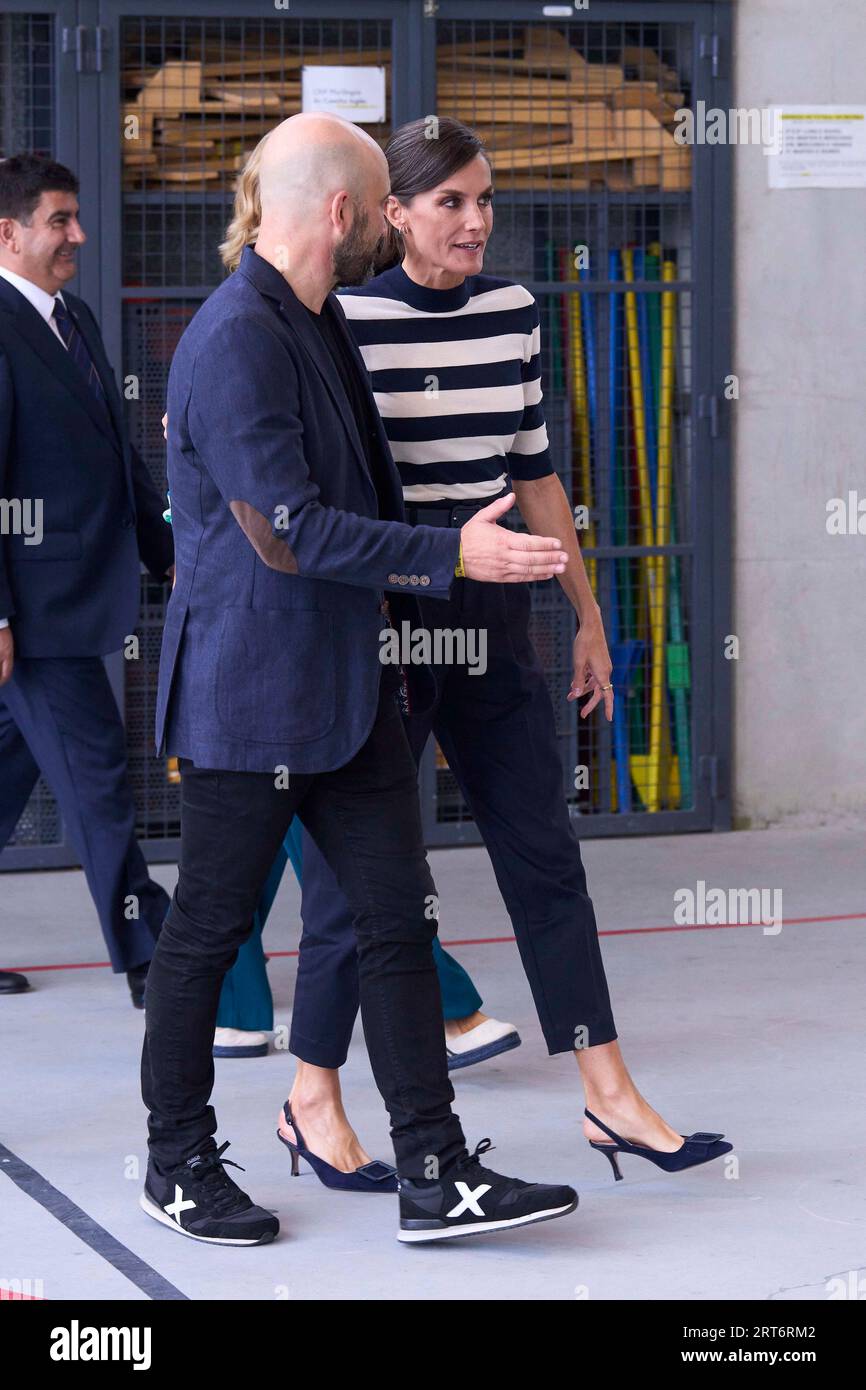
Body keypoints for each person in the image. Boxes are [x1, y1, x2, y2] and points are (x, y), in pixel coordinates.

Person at [215, 118, 735, 1190]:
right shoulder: (341, 320)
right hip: (391, 621)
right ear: (389, 213)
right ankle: (310, 1096)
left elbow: (536, 475)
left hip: (498, 617)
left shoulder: (513, 312)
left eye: (485, 199)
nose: (475, 220)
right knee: (364, 883)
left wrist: (585, 612)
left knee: (544, 853)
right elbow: (321, 501)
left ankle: (608, 1093)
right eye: (449, 201)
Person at [140, 111, 579, 1246]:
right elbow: (287, 530)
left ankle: (433, 1169)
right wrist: (451, 555)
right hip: (252, 700)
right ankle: (177, 1164)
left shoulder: (314, 318)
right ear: (341, 210)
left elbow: (353, 502)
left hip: (343, 690)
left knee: (394, 916)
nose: (389, 231)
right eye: (378, 206)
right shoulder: (237, 337)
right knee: (206, 929)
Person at [0, 154, 174, 1006]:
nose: (77, 235)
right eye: (59, 221)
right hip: (35, 612)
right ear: (9, 233)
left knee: (5, 777)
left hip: (71, 594)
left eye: (75, 218)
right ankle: (156, 958)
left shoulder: (73, 319)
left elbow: (118, 455)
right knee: (99, 774)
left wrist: (170, 553)